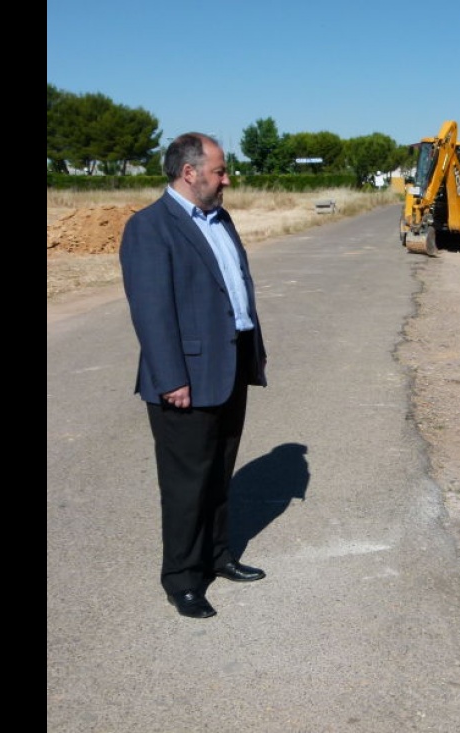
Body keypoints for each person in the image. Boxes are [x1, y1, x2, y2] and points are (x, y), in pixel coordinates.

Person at [119, 132, 268, 619]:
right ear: (190, 172)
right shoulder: (150, 227)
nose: (227, 179)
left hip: (230, 366)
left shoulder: (220, 219)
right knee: (186, 484)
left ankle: (218, 555)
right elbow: (152, 311)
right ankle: (182, 577)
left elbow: (232, 290)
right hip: (184, 377)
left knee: (220, 473)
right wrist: (171, 379)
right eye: (220, 171)